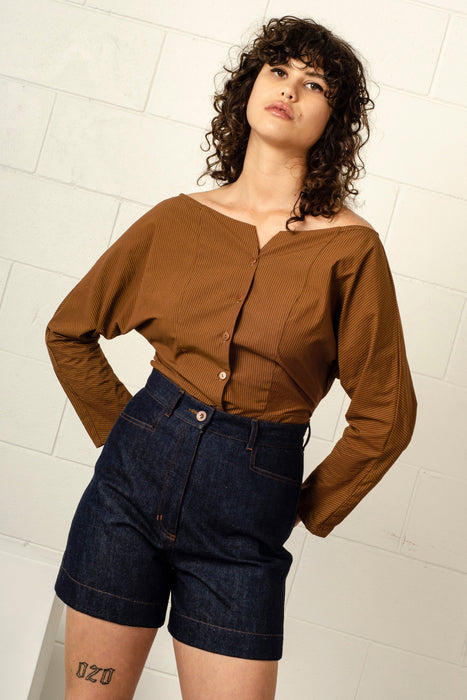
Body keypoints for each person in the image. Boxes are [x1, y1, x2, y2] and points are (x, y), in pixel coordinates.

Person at [45, 15, 417, 700]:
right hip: (125, 496)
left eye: (314, 84)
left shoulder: (350, 250)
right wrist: (125, 434)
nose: (290, 89)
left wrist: (300, 505)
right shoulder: (176, 220)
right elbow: (69, 331)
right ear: (248, 87)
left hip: (247, 514)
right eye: (278, 70)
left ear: (333, 121)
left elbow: (386, 414)